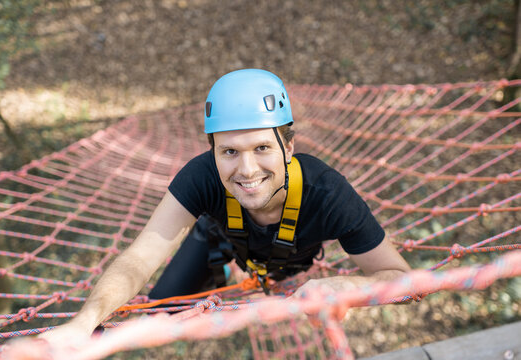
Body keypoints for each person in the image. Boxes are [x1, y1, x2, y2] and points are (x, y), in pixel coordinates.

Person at [40, 69, 410, 344]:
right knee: (159, 317)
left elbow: (403, 281)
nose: (246, 170)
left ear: (289, 147)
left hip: (291, 263)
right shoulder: (200, 176)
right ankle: (231, 272)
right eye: (229, 151)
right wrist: (83, 321)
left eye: (262, 148)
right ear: (212, 150)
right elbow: (139, 259)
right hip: (217, 242)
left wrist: (345, 287)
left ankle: (242, 276)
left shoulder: (328, 194)